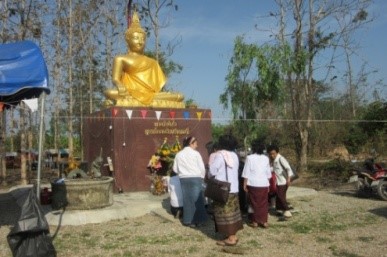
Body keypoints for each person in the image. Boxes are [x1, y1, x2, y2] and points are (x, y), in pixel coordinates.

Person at [104, 11, 184, 108]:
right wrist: (120, 85)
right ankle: (149, 101)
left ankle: (148, 101)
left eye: (143, 39)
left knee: (179, 96)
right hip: (130, 92)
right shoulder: (121, 58)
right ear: (128, 40)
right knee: (110, 92)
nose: (140, 42)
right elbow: (115, 79)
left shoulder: (152, 62)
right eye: (136, 38)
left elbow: (157, 88)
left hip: (150, 94)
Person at [208, 135, 243, 246]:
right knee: (233, 213)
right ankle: (231, 235)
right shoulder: (235, 155)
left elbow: (212, 171)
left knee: (225, 214)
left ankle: (231, 238)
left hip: (222, 189)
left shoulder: (220, 155)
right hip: (233, 188)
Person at [172, 136, 208, 227]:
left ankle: (188, 221)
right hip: (196, 177)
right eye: (195, 143)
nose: (197, 145)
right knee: (198, 199)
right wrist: (202, 177)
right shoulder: (196, 154)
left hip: (184, 178)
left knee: (187, 200)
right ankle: (199, 220)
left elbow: (175, 169)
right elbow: (202, 167)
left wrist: (182, 172)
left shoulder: (179, 154)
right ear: (190, 143)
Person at [242, 140, 272, 228]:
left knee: (253, 202)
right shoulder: (266, 158)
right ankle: (264, 221)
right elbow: (268, 173)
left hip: (253, 183)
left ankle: (254, 221)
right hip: (263, 183)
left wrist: (244, 184)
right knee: (263, 203)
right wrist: (268, 185)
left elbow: (246, 172)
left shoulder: (250, 158)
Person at [267, 144, 294, 219]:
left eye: (273, 153)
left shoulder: (281, 159)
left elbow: (288, 168)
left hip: (283, 181)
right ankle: (279, 210)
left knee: (280, 196)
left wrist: (289, 179)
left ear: (277, 152)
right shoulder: (274, 160)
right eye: (270, 154)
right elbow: (274, 169)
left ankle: (287, 210)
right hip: (278, 181)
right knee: (278, 196)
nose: (272, 155)